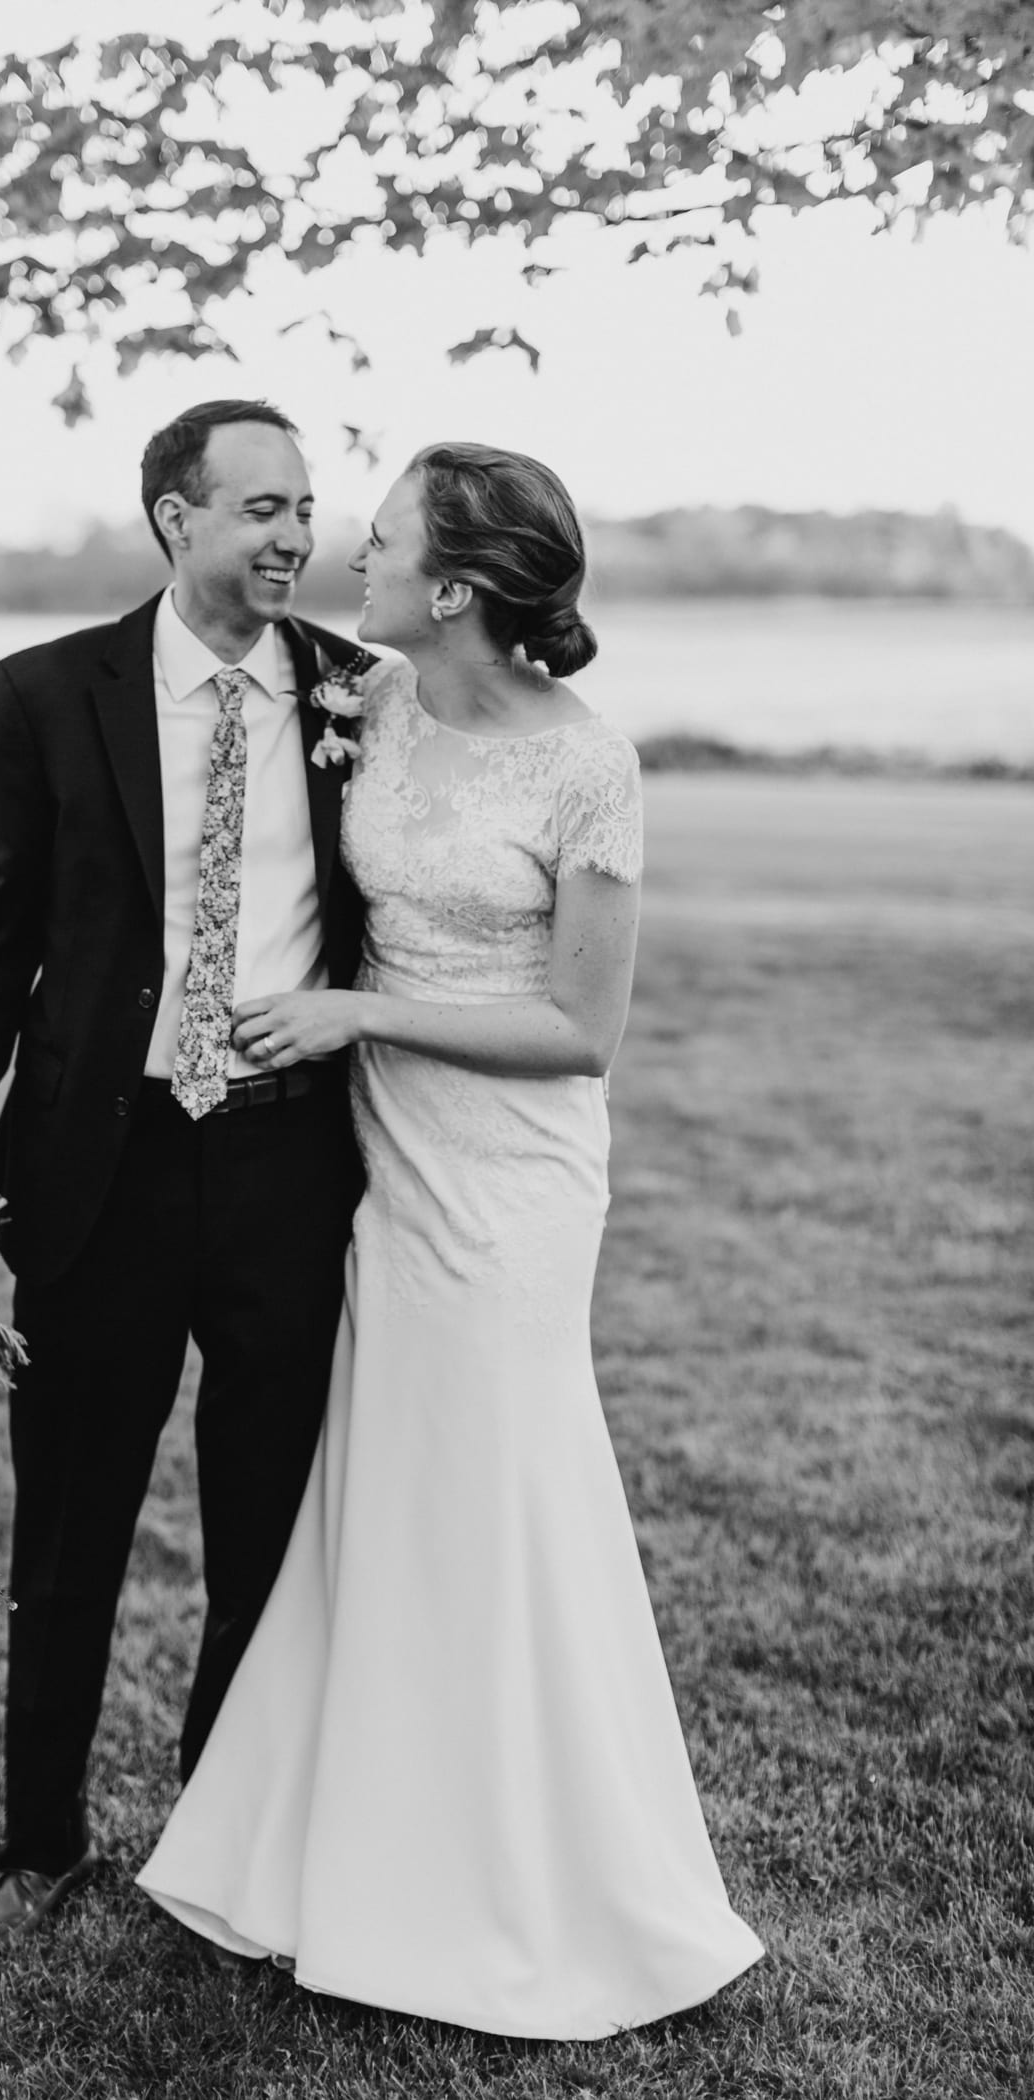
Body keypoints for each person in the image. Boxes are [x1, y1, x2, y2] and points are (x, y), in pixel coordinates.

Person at [137, 442, 765, 2039]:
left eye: (387, 539)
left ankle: (512, 1872)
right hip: (374, 1165)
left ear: (461, 587)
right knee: (388, 1483)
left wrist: (352, 1011)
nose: (355, 554)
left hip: (512, 1177)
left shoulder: (589, 767)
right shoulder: (376, 701)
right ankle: (334, 1837)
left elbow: (581, 1031)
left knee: (489, 1485)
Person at [0, 400, 368, 1957]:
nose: (295, 537)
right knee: (72, 1528)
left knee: (266, 1525)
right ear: (175, 519)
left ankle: (220, 1851)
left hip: (296, 1165)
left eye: (306, 508)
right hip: (102, 1170)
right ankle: (38, 1847)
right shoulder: (42, 694)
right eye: (259, 510)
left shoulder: (364, 697)